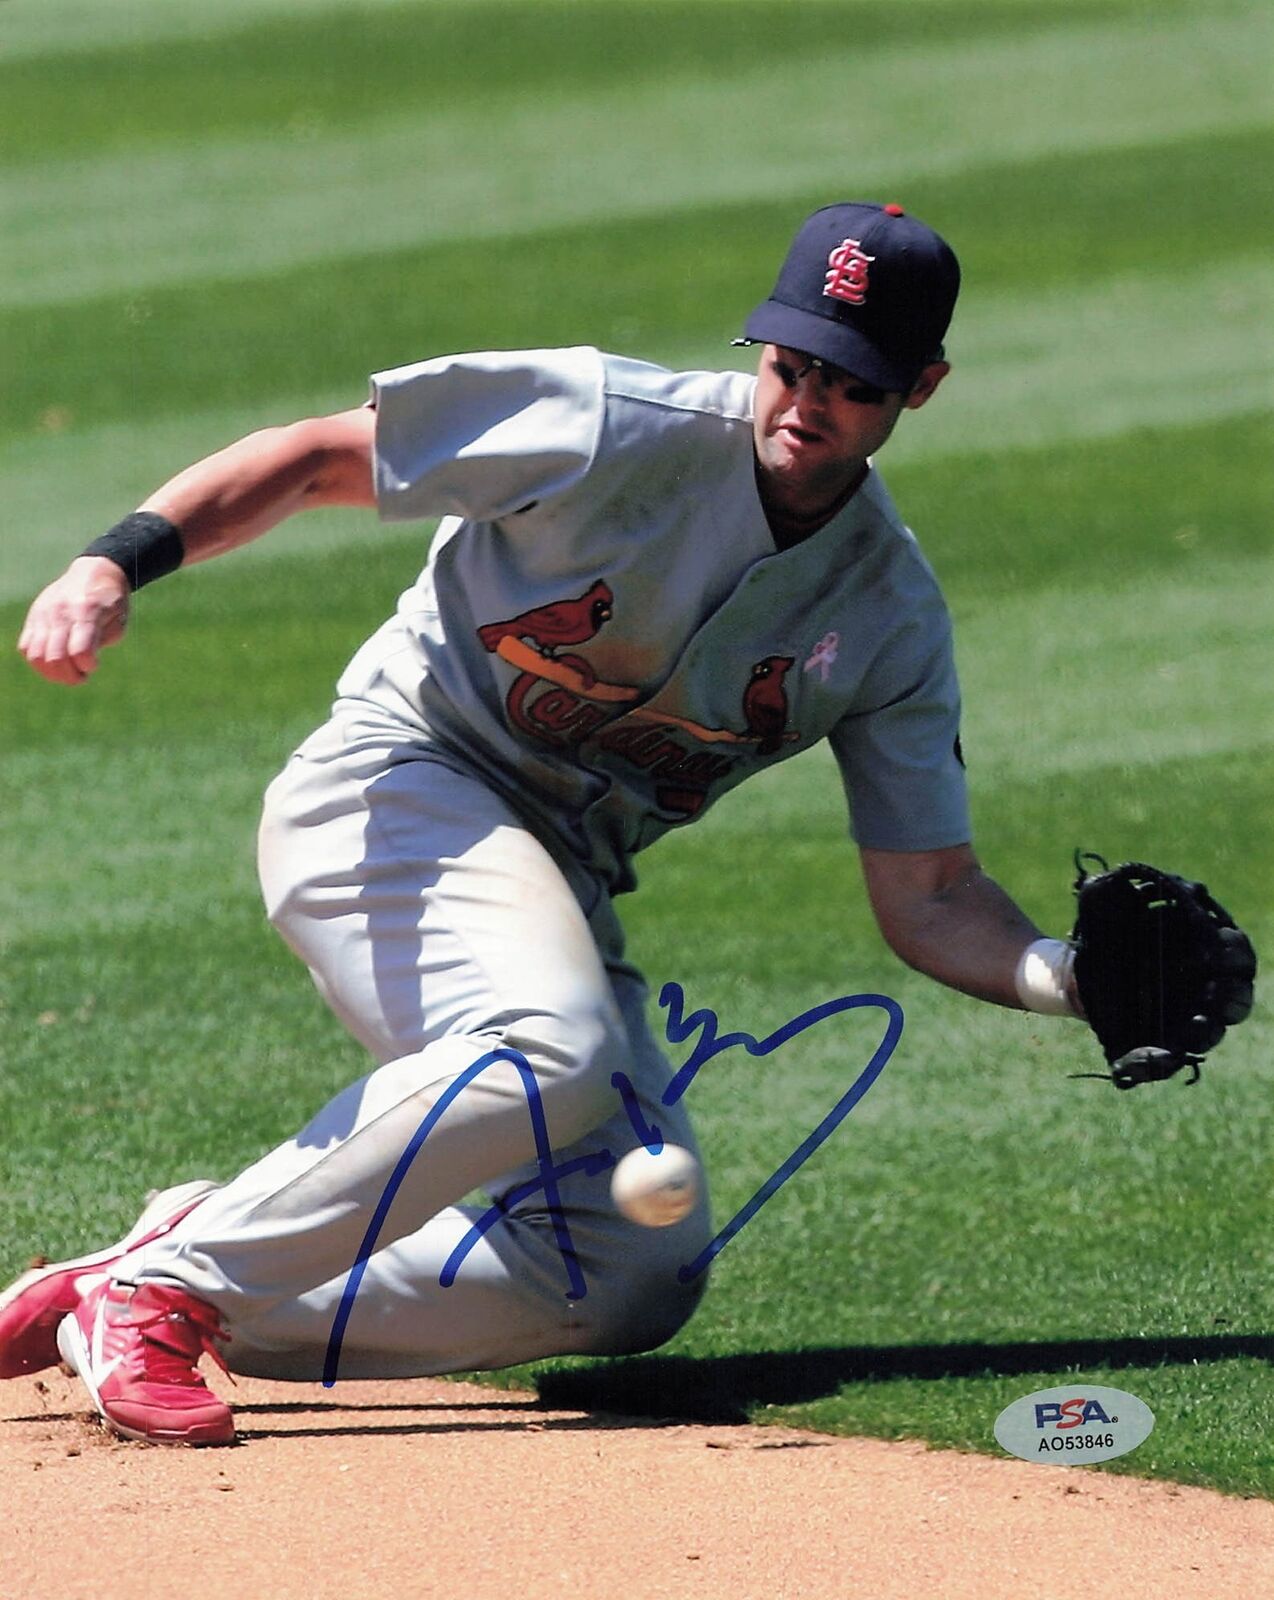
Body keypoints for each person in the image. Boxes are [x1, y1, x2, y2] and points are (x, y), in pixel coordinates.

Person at [2, 202, 1082, 1446]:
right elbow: (312, 458)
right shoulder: (609, 422)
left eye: (850, 386)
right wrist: (112, 563)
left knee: (621, 1272)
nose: (804, 404)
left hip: (549, 882)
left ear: (921, 389)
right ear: (761, 348)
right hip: (391, 789)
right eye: (790, 366)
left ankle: (140, 1279)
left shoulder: (886, 612)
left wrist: (1071, 978)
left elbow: (931, 893)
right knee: (549, 1046)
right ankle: (174, 1286)